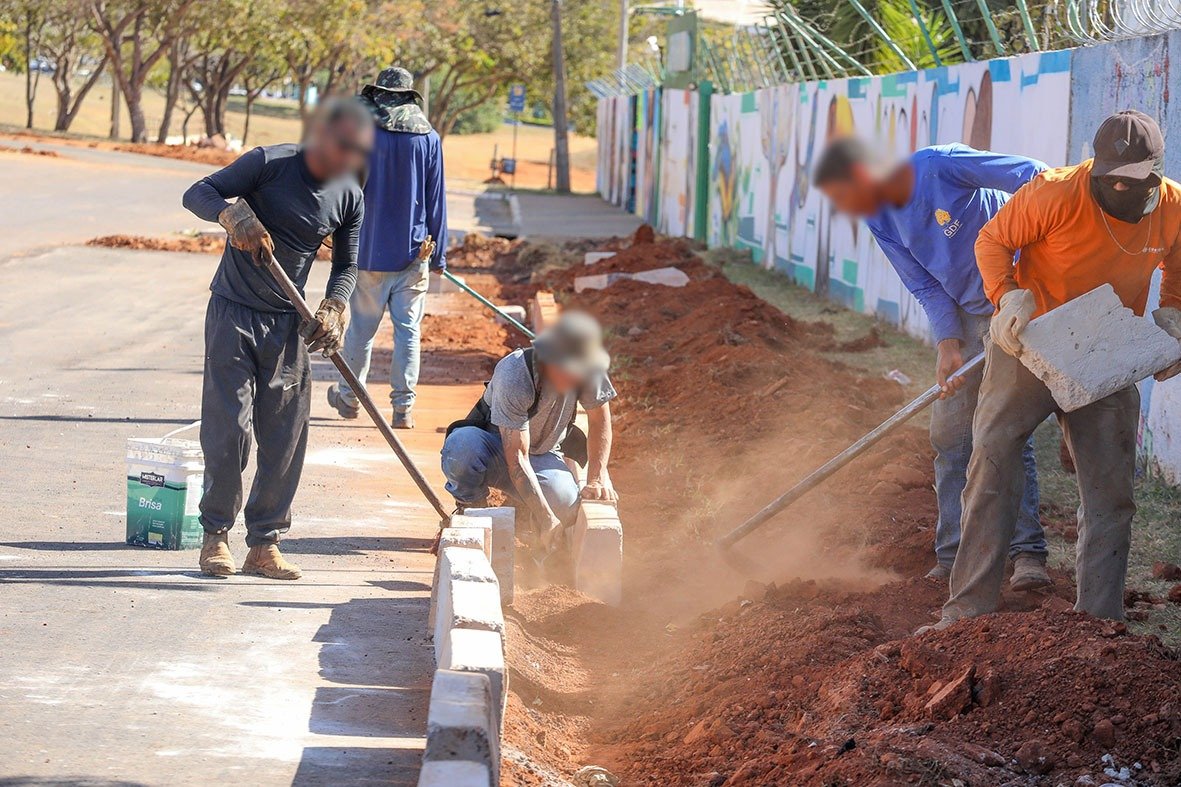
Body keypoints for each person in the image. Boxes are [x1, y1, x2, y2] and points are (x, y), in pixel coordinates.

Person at [926, 110, 1181, 630]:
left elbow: (1178, 263)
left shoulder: (1175, 207)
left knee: (1110, 493)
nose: (1115, 187)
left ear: (1154, 172)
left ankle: (1098, 626)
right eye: (1106, 176)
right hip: (1031, 341)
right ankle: (967, 612)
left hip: (1106, 351)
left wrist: (1172, 311)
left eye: (1130, 180)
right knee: (991, 465)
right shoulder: (1055, 192)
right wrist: (1007, 296)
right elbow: (992, 240)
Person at [814, 137, 1051, 588]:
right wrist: (948, 341)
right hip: (965, 311)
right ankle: (952, 555)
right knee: (950, 436)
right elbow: (924, 284)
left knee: (1006, 429)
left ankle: (1027, 556)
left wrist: (1030, 268)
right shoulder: (878, 218)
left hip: (1018, 295)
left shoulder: (939, 165)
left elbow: (1034, 173)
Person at [181, 98, 374, 580]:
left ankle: (264, 543)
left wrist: (334, 306)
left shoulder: (350, 195)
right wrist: (230, 217)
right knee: (229, 428)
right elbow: (197, 192)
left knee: (286, 434)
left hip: (290, 323)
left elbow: (346, 266)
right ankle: (215, 536)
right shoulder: (269, 163)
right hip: (234, 313)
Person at [326, 66, 448, 430]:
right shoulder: (428, 138)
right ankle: (403, 409)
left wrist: (329, 232)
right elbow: (435, 201)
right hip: (414, 255)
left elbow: (340, 187)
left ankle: (349, 399)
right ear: (410, 97)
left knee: (361, 331)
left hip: (366, 253)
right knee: (408, 332)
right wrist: (439, 254)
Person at [440, 312, 618, 553]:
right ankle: (469, 507)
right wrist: (546, 518)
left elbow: (599, 420)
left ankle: (523, 514)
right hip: (494, 447)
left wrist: (597, 478)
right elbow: (516, 459)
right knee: (461, 449)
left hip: (542, 453)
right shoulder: (515, 373)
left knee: (565, 503)